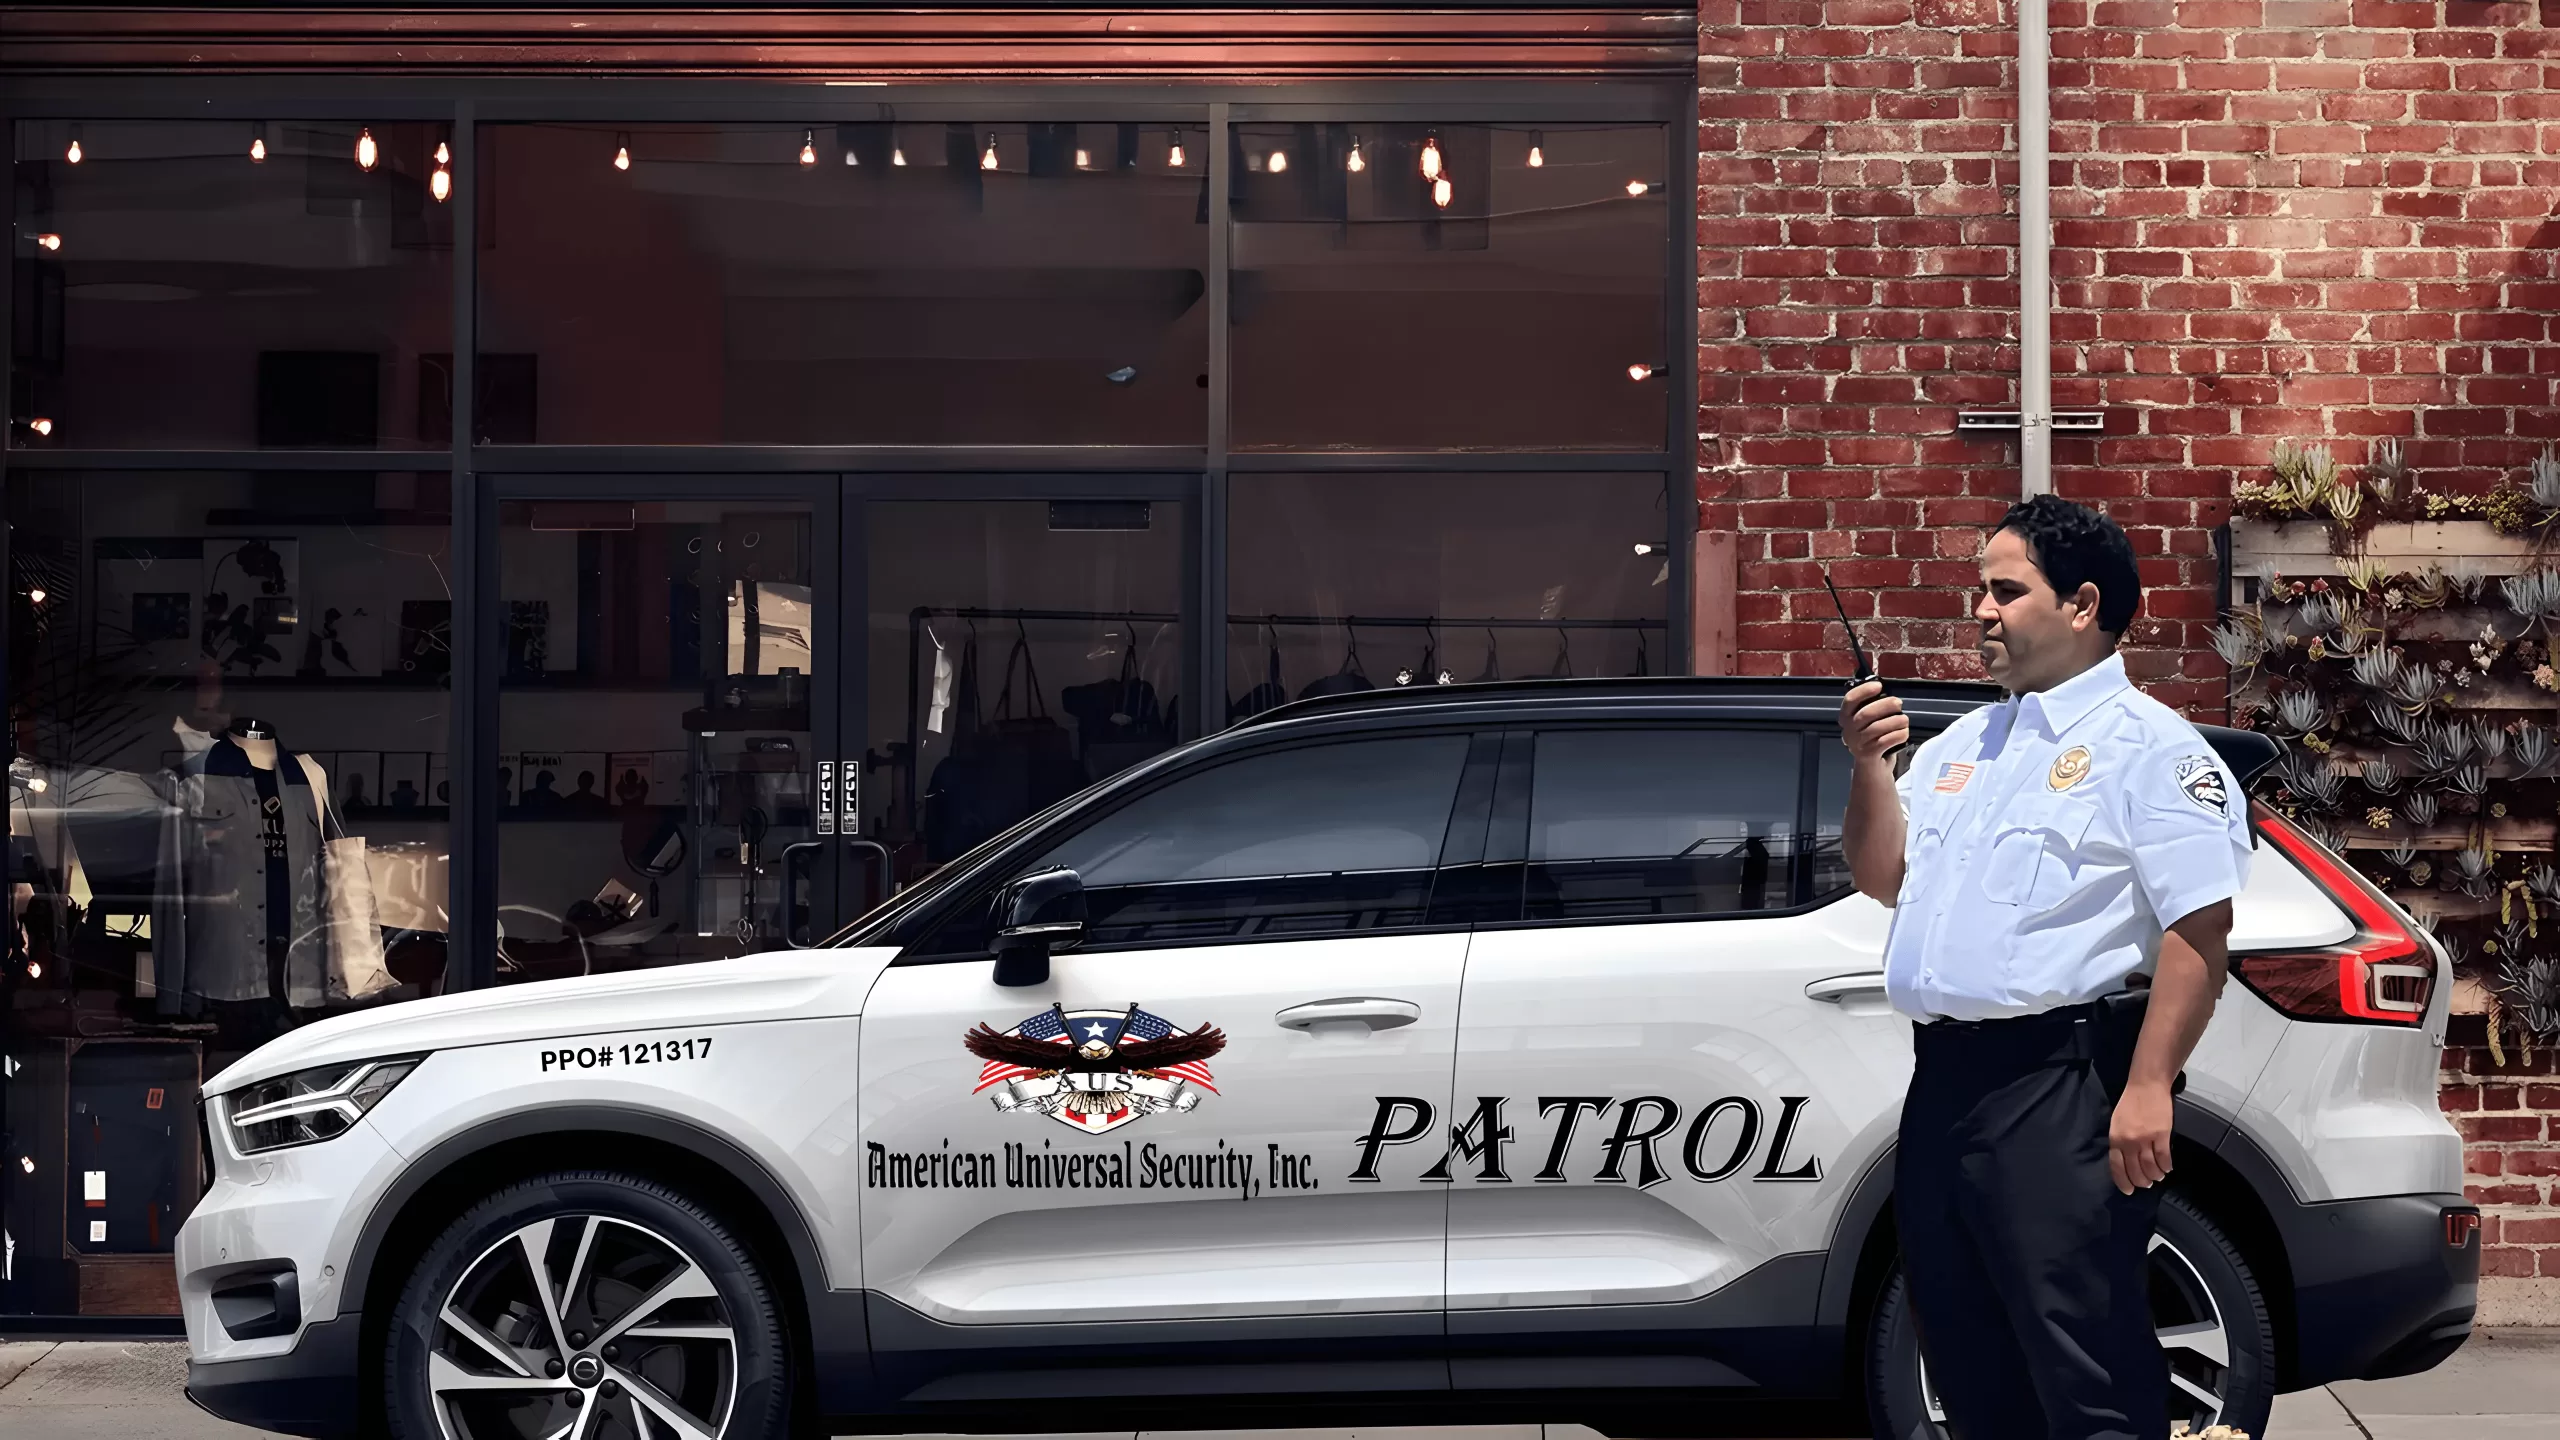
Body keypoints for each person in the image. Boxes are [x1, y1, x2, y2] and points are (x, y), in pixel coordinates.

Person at [1836, 494, 2253, 1440]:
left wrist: (2148, 1086)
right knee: (1967, 1356)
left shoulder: (2150, 749)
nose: (1979, 612)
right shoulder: (1966, 746)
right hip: (1944, 1082)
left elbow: (2200, 930)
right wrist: (1868, 769)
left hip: (2063, 1087)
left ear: (2081, 604)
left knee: (2085, 1363)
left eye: (2004, 591)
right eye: (1979, 591)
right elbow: (1882, 878)